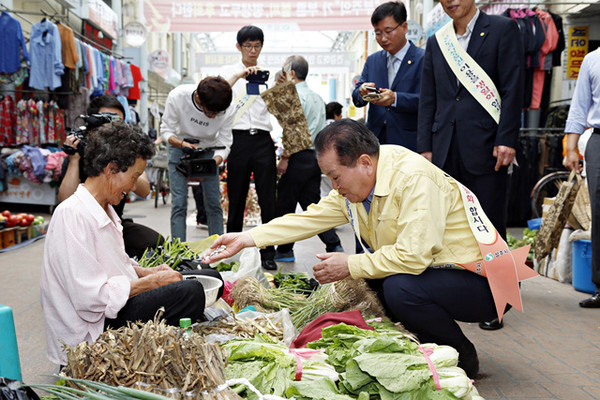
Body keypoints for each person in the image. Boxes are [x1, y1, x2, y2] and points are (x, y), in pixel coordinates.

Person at [204, 119, 519, 379]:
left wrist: (350, 264)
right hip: (440, 275)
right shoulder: (356, 186)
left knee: (398, 286)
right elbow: (309, 218)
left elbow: (413, 256)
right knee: (378, 280)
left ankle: (462, 357)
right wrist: (246, 238)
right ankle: (427, 343)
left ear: (364, 162)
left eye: (336, 177)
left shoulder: (412, 178)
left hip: (487, 285)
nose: (335, 186)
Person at [41, 123, 222, 366]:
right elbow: (90, 299)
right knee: (189, 291)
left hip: (110, 306)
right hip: (92, 329)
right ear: (111, 169)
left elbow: (116, 262)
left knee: (210, 277)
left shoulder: (104, 208)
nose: (134, 187)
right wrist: (151, 283)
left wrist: (147, 272)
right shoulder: (72, 214)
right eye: (134, 176)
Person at [417, 0, 524, 330]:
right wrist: (425, 148)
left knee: (490, 226)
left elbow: (513, 87)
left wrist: (506, 139)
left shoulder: (503, 29)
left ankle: (499, 302)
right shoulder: (438, 40)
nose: (450, 1)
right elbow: (429, 98)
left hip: (486, 147)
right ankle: (461, 295)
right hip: (445, 149)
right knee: (453, 227)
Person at [58, 95, 162, 259]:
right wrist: (74, 159)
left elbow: (143, 191)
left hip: (115, 224)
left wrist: (133, 167)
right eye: (106, 121)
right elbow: (65, 201)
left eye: (118, 123)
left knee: (154, 242)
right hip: (85, 228)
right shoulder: (79, 153)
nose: (113, 129)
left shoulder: (130, 155)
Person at [273, 56, 343, 262]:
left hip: (297, 157)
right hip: (314, 157)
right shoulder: (317, 98)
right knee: (312, 205)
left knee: (285, 204)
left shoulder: (293, 96)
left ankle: (285, 250)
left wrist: (285, 158)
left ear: (292, 73)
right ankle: (333, 243)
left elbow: (292, 130)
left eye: (284, 69)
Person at [221, 25, 278, 270]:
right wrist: (240, 76)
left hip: (264, 140)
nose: (253, 50)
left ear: (262, 47)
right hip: (238, 140)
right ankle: (231, 248)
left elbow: (282, 109)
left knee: (268, 199)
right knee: (236, 197)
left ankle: (268, 253)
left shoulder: (271, 75)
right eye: (248, 46)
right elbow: (219, 97)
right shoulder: (228, 74)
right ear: (239, 47)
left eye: (257, 46)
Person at [160, 76, 233, 240]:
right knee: (179, 203)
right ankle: (179, 252)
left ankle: (217, 249)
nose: (214, 117)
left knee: (213, 202)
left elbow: (225, 141)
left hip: (209, 150)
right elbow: (165, 131)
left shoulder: (228, 106)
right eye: (210, 112)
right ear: (199, 99)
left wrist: (213, 163)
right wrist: (180, 144)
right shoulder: (178, 96)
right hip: (180, 147)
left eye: (217, 113)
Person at [351, 1, 424, 150]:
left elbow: (429, 101)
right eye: (378, 33)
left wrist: (395, 99)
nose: (383, 38)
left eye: (388, 31)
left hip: (408, 141)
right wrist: (361, 91)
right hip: (375, 141)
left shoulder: (424, 59)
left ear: (404, 27)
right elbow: (357, 98)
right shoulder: (373, 61)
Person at [564, 48, 600, 308]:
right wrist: (571, 148)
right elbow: (579, 106)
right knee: (599, 211)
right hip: (598, 138)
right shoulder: (592, 59)